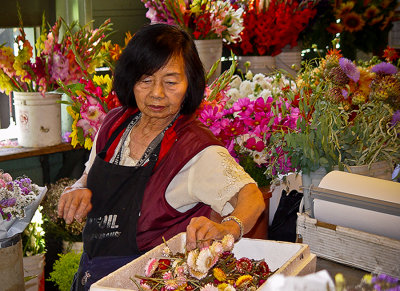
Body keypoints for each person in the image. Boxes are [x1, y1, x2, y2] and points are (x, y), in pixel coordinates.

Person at [58, 23, 265, 290]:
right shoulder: (113, 125)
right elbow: (89, 174)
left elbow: (252, 197)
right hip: (93, 276)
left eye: (170, 82)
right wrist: (80, 188)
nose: (157, 93)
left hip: (149, 282)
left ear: (189, 83)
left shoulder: (197, 150)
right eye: (145, 80)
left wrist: (229, 228)